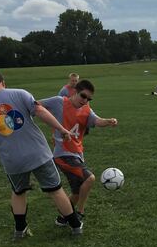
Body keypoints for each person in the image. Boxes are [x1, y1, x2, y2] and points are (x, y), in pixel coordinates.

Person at [0, 69, 83, 238]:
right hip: (38, 153)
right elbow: (40, 111)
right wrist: (61, 129)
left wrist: (0, 147)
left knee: (19, 192)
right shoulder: (20, 93)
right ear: (3, 82)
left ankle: (20, 230)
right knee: (55, 190)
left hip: (12, 160)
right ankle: (75, 226)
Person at [40, 79, 118, 223]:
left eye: (89, 99)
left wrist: (108, 121)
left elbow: (97, 121)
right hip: (62, 154)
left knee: (77, 192)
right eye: (83, 96)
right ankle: (80, 212)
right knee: (89, 178)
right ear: (75, 91)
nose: (85, 100)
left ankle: (63, 218)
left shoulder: (86, 109)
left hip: (77, 154)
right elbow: (36, 105)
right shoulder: (59, 102)